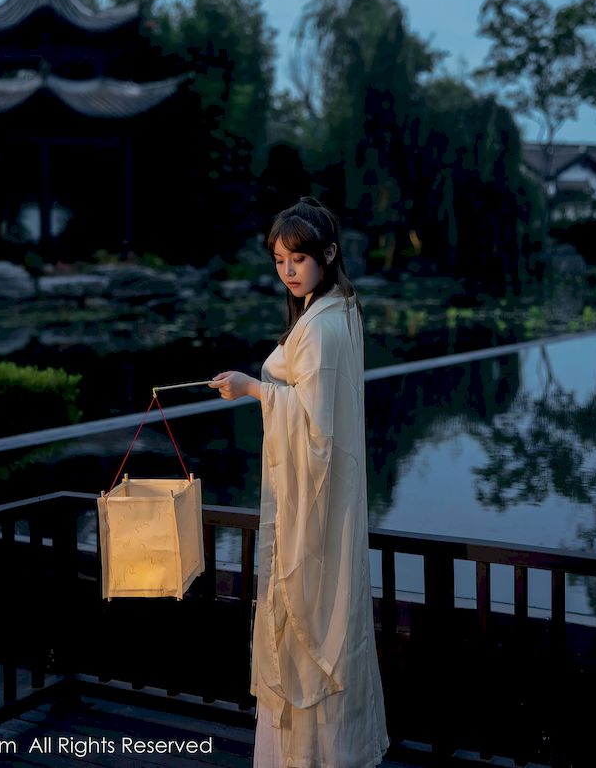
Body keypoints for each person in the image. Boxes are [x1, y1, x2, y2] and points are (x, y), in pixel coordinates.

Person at [209, 198, 389, 767]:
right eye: (280, 260)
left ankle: (310, 757)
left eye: (299, 258)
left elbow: (315, 434)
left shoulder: (321, 327)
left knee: (312, 619)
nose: (287, 271)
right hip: (326, 502)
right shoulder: (337, 311)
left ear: (328, 255)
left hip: (316, 505)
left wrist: (253, 387)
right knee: (326, 618)